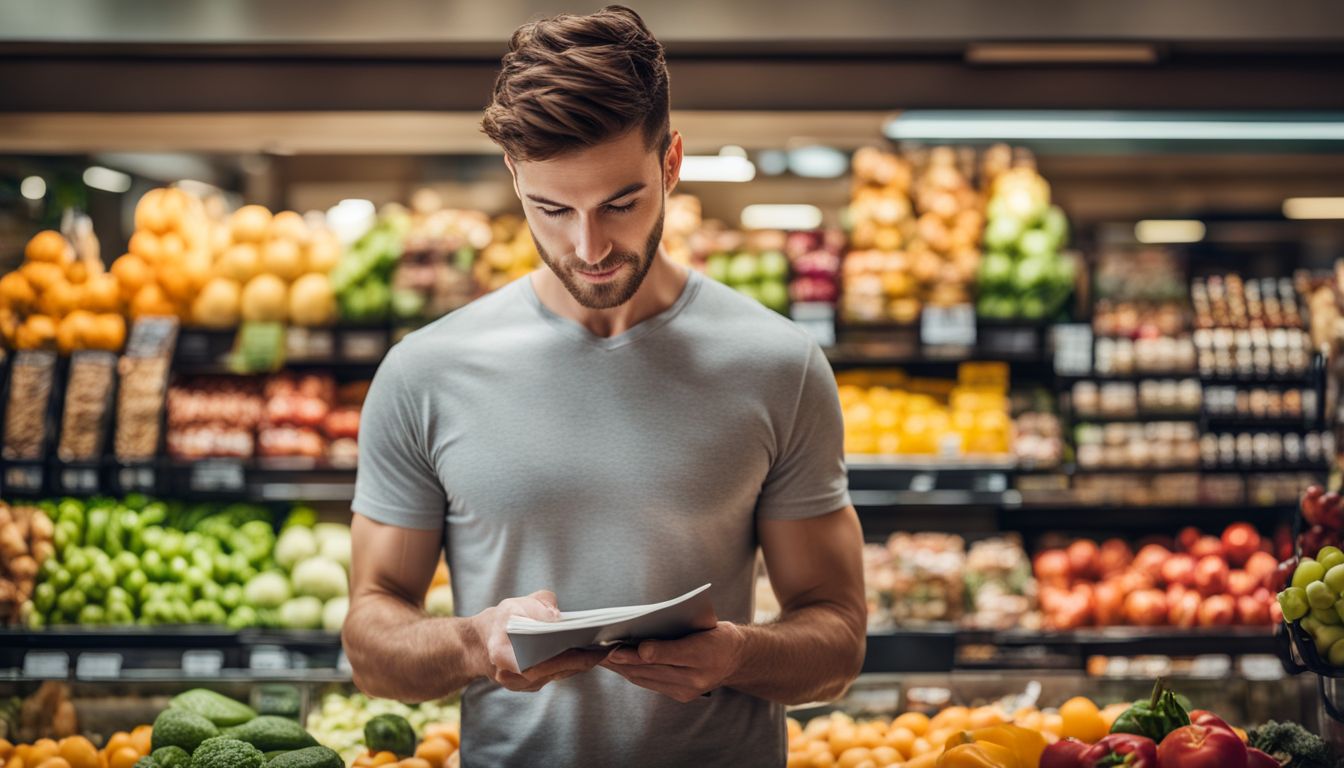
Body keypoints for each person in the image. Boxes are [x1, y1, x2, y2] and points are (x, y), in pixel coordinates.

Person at [343, 6, 865, 766]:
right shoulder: (425, 371)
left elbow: (839, 641)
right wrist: (472, 641)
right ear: (513, 177)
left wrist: (738, 656)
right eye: (551, 209)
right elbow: (371, 647)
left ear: (672, 163)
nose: (589, 247)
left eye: (621, 203)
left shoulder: (778, 365)